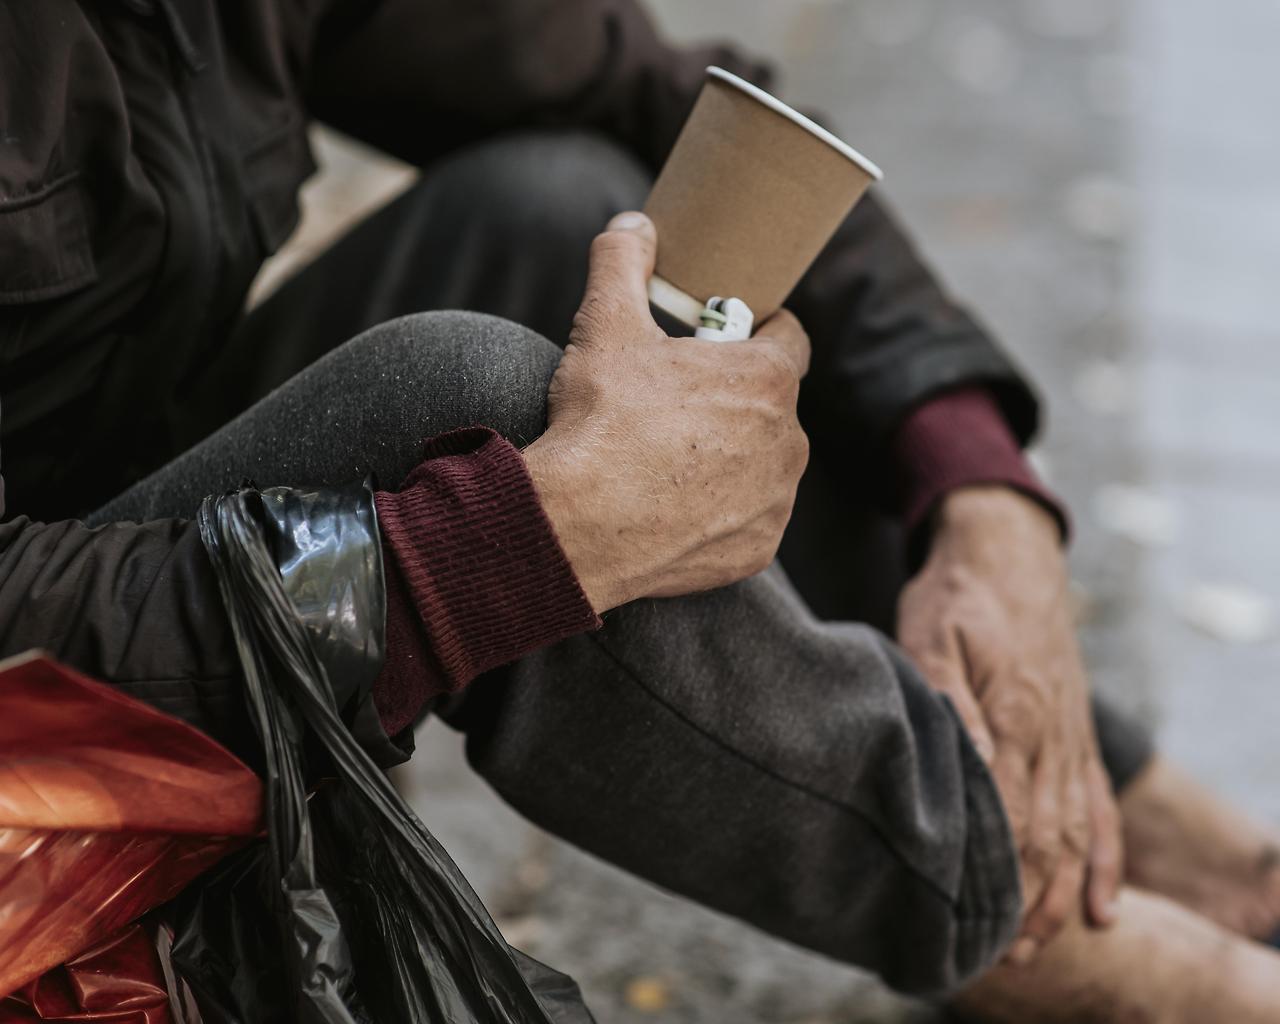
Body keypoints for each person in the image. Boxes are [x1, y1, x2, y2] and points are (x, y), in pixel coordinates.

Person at [1, 1, 1277, 1019]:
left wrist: (980, 485)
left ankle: (1101, 798)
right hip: (29, 754)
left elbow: (663, 105)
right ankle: (1032, 910)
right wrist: (486, 555)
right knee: (476, 402)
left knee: (571, 211)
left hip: (101, 525)